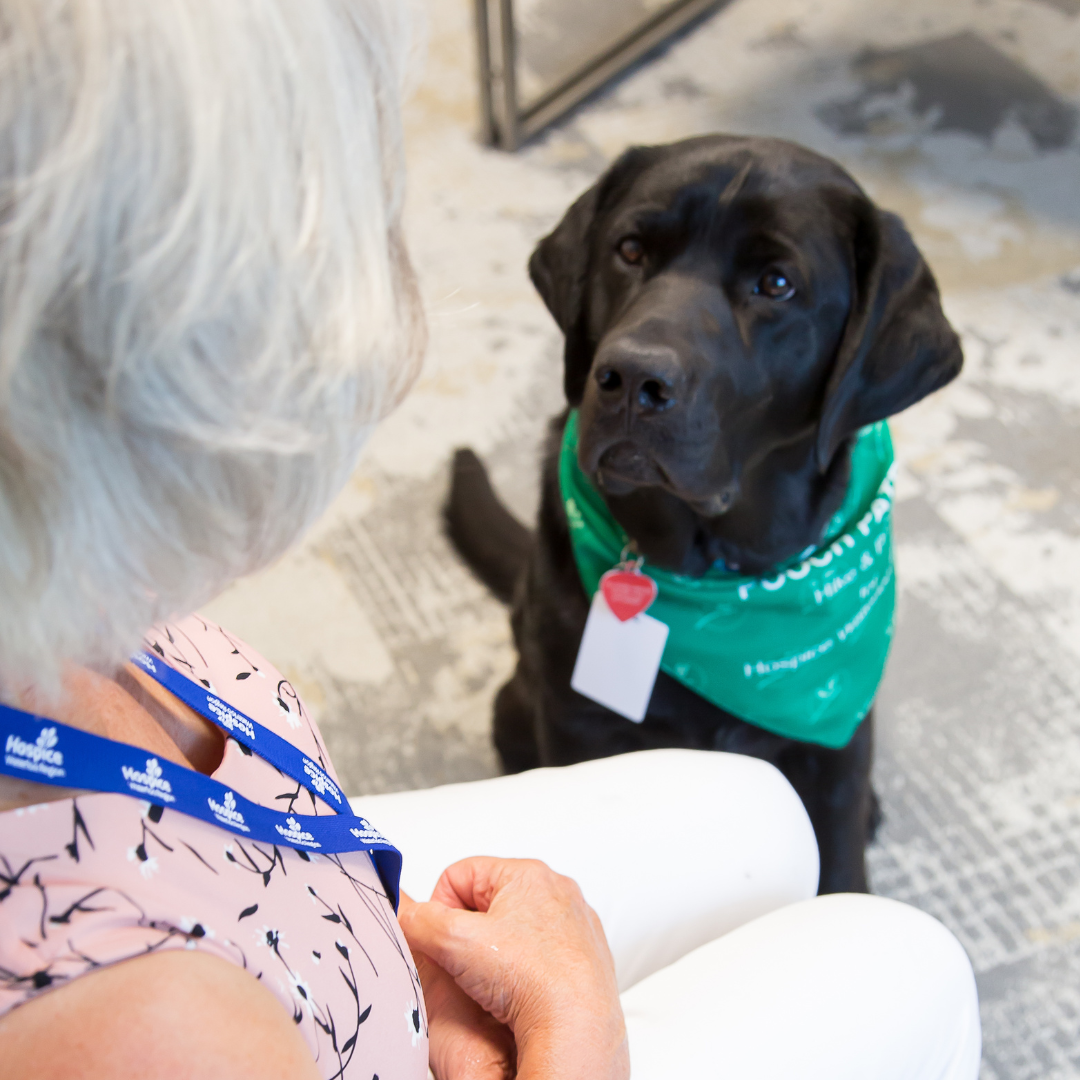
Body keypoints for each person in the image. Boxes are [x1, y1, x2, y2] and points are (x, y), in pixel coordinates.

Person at [0, 2, 981, 1078]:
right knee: (906, 961)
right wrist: (580, 1035)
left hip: (318, 910)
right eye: (637, 257)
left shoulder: (74, 581)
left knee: (777, 818)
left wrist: (394, 929)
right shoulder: (141, 1031)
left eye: (772, 284)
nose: (642, 345)